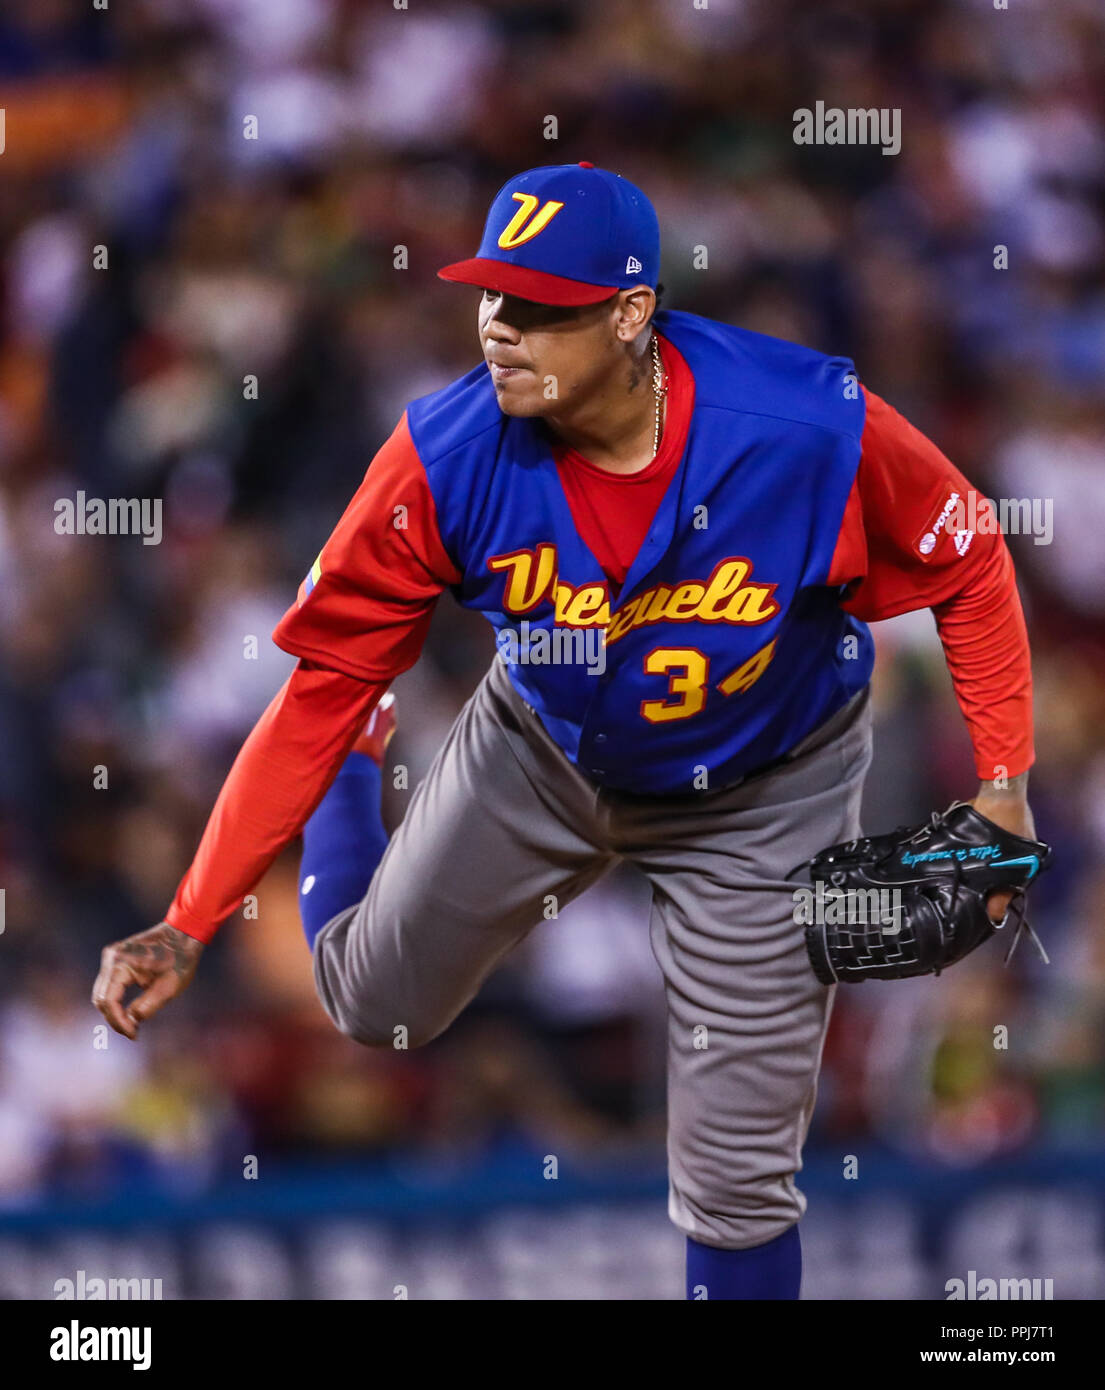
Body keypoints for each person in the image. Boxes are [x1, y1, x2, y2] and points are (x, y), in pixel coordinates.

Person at [93, 162, 1035, 1300]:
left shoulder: (800, 425)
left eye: (538, 305)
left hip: (765, 781)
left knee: (738, 1181)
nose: (498, 327)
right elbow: (312, 691)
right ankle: (364, 774)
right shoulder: (443, 458)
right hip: (541, 750)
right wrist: (191, 918)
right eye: (490, 296)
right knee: (374, 1006)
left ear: (632, 313)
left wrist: (1001, 781)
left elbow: (969, 555)